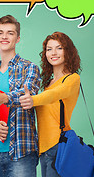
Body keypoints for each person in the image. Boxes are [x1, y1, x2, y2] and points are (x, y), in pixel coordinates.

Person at [0, 15, 41, 177]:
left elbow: (27, 95)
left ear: (17, 38)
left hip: (22, 152)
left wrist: (5, 98)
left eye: (10, 33)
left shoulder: (29, 68)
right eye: (0, 33)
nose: (4, 36)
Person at [19, 32, 81, 177]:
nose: (53, 53)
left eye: (59, 48)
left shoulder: (72, 79)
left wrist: (33, 100)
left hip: (59, 146)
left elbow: (55, 95)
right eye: (49, 49)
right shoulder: (47, 84)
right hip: (43, 149)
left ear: (68, 51)